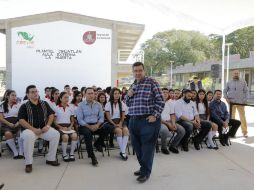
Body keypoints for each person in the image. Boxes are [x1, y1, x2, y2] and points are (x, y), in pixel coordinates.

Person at [125, 62, 164, 183]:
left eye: (140, 70)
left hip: (148, 121)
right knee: (137, 148)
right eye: (135, 71)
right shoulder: (133, 84)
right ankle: (143, 167)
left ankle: (145, 172)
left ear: (144, 70)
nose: (137, 73)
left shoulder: (152, 82)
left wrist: (155, 115)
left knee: (147, 148)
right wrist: (128, 95)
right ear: (133, 72)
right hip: (133, 120)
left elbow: (161, 100)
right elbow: (127, 103)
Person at [18, 85, 60, 173]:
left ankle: (50, 159)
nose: (35, 93)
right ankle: (28, 163)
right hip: (29, 130)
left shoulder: (44, 103)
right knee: (29, 136)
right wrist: (33, 129)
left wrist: (48, 126)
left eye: (36, 91)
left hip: (43, 129)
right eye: (32, 92)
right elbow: (21, 120)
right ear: (28, 95)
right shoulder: (24, 106)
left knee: (56, 134)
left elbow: (51, 115)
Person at [76, 87, 111, 166]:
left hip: (96, 124)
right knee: (88, 134)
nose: (91, 95)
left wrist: (97, 124)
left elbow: (101, 117)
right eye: (89, 93)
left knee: (108, 127)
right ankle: (92, 156)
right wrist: (89, 126)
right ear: (85, 95)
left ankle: (97, 143)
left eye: (92, 93)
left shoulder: (98, 104)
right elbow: (80, 119)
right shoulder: (80, 105)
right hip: (84, 125)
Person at [105, 88, 129, 160]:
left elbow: (123, 116)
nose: (117, 95)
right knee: (119, 131)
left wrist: (121, 123)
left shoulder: (122, 104)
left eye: (118, 93)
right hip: (111, 122)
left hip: (120, 121)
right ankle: (123, 152)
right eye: (115, 93)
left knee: (126, 131)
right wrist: (115, 124)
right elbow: (108, 117)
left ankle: (122, 151)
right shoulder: (108, 104)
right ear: (112, 94)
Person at [159, 88, 185, 154]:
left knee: (182, 130)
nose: (165, 94)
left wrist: (173, 123)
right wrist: (168, 124)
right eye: (163, 92)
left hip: (169, 121)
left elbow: (172, 114)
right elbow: (156, 117)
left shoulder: (170, 102)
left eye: (166, 92)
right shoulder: (156, 102)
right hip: (160, 122)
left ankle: (173, 146)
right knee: (165, 131)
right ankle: (163, 147)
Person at [223, 69, 249, 137]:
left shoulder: (243, 82)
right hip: (232, 103)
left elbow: (246, 91)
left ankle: (244, 132)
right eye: (235, 73)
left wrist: (245, 100)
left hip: (241, 102)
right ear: (233, 74)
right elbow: (225, 91)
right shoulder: (229, 82)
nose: (236, 75)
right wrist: (226, 98)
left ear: (239, 74)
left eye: (237, 73)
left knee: (242, 117)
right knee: (232, 118)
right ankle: (232, 133)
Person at [54, 92, 77, 162]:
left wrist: (70, 126)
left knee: (74, 136)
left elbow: (72, 120)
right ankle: (64, 154)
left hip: (68, 126)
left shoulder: (71, 107)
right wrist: (61, 127)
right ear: (60, 99)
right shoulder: (56, 108)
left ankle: (71, 153)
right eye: (65, 97)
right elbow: (54, 121)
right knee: (65, 137)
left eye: (68, 97)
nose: (67, 99)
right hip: (59, 127)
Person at [0, 90, 23, 159]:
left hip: (17, 123)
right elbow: (1, 118)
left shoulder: (19, 105)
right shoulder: (2, 104)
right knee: (7, 134)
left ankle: (21, 152)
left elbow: (21, 117)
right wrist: (9, 124)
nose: (14, 97)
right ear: (7, 96)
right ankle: (15, 152)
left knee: (20, 133)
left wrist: (18, 123)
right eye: (12, 95)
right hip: (6, 123)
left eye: (15, 95)